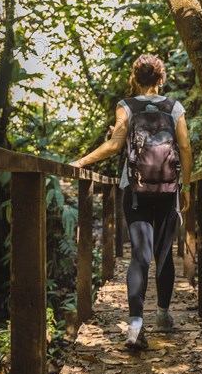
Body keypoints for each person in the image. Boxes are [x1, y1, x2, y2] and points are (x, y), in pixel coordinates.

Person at [70, 54, 192, 349]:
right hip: (167, 190)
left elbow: (114, 145)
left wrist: (81, 162)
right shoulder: (174, 107)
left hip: (135, 191)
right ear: (161, 78)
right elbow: (185, 147)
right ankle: (163, 315)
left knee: (140, 255)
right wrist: (185, 185)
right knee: (163, 254)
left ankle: (136, 325)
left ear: (135, 79)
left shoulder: (126, 107)